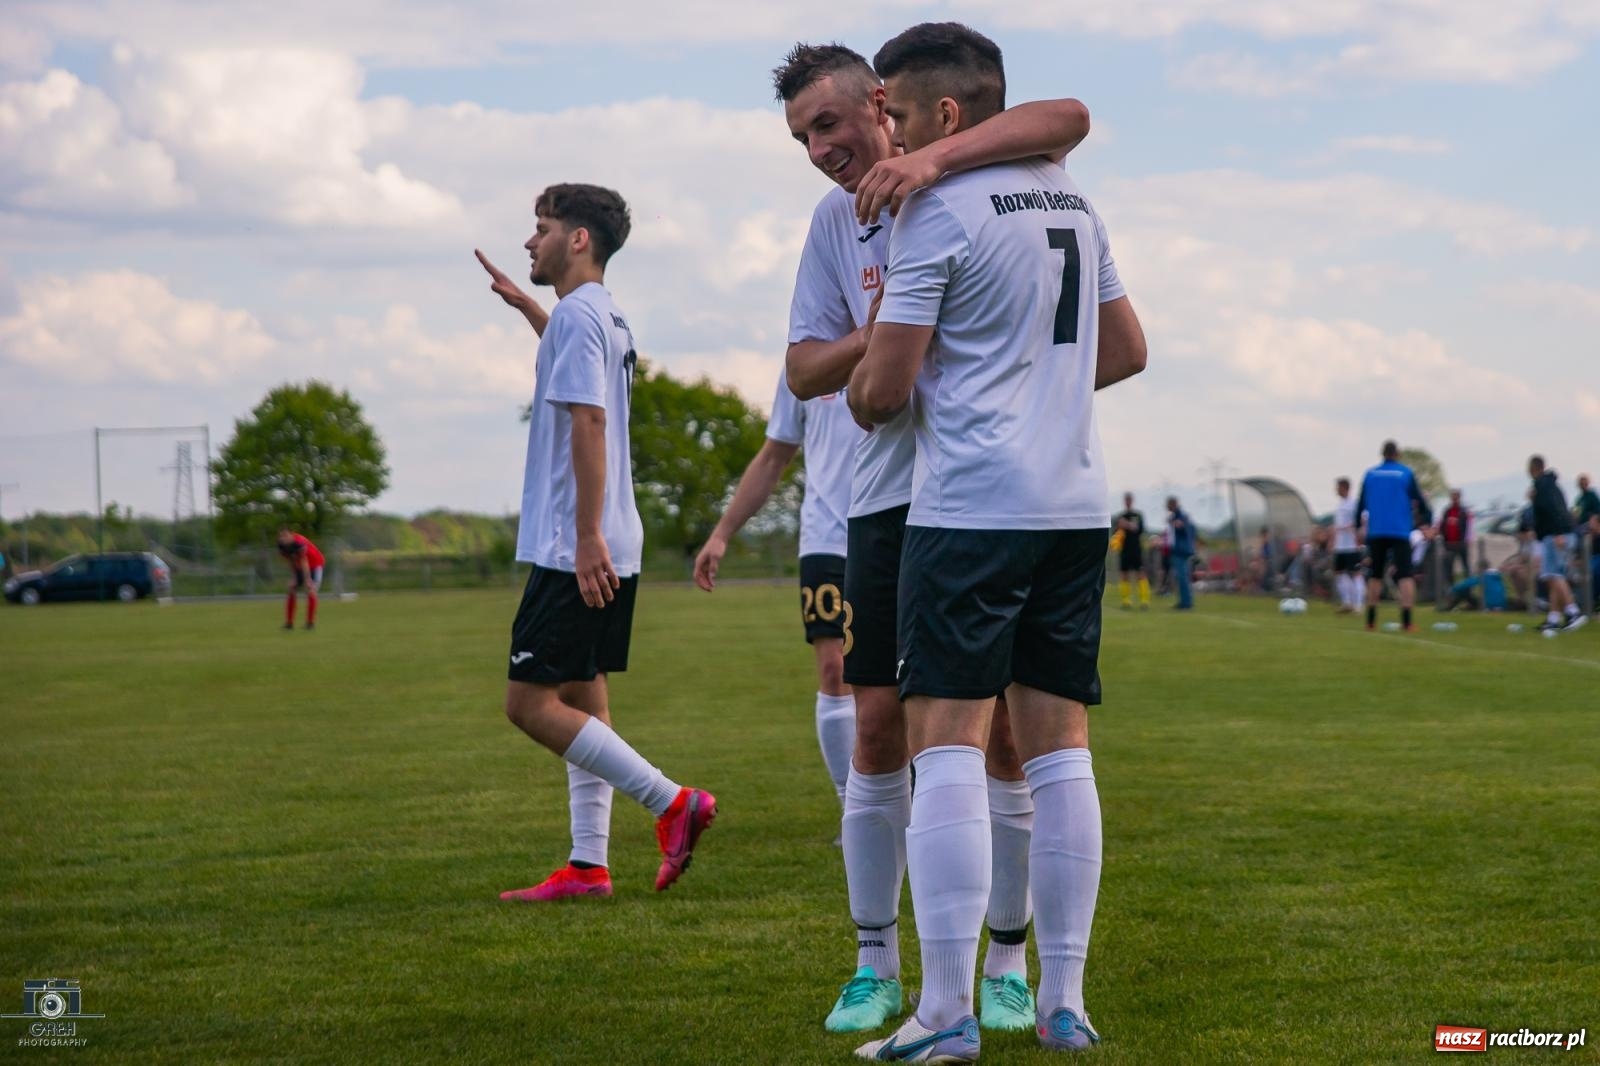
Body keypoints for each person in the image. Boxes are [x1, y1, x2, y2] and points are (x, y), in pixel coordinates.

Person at [772, 41, 1101, 1034]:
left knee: (996, 740)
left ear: (887, 105)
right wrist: (897, 337)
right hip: (890, 503)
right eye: (801, 137)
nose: (820, 149)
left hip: (969, 501)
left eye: (830, 124)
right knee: (881, 731)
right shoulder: (842, 220)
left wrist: (965, 368)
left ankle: (999, 967)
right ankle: (877, 958)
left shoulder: (966, 185)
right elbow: (800, 369)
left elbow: (1064, 114)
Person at [848, 22, 1146, 1058]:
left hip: (970, 508)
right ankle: (1062, 999)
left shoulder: (932, 209)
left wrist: (871, 380)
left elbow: (882, 395)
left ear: (942, 115)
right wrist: (1037, 390)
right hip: (1071, 506)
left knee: (948, 750)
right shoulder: (1073, 196)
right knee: (1061, 751)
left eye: (889, 105)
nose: (878, 122)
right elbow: (1126, 351)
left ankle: (944, 1012)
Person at [494, 184, 716, 903]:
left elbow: (588, 422)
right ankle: (588, 866)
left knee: (529, 704)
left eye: (542, 228)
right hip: (609, 536)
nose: (530, 242)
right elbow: (578, 379)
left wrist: (585, 536)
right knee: (586, 698)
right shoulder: (598, 315)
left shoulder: (581, 317)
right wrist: (530, 311)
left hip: (576, 542)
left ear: (578, 238)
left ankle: (672, 803)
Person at [1355, 441, 1431, 632]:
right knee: (1406, 576)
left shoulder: (1370, 474)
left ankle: (1370, 621)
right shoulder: (1405, 473)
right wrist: (1426, 522)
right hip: (1399, 530)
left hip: (1377, 531)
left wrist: (1358, 526)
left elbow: (1360, 504)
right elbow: (1420, 501)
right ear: (1397, 454)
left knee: (1375, 576)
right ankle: (1407, 622)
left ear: (1382, 454)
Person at [1528, 455, 1586, 632]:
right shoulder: (1551, 485)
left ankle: (1573, 612)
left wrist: (1558, 533)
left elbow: (1555, 510)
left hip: (1556, 535)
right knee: (1553, 576)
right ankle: (1553, 618)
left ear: (1533, 468)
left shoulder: (1544, 486)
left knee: (1554, 575)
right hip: (1555, 534)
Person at [276, 528, 324, 630]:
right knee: (291, 589)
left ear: (291, 535)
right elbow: (290, 560)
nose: (283, 539)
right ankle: (289, 624)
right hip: (300, 567)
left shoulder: (298, 542)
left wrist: (307, 579)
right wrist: (293, 577)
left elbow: (304, 560)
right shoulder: (282, 546)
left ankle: (310, 624)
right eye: (281, 536)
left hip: (315, 565)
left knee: (311, 590)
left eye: (285, 536)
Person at [1331, 478, 1364, 614]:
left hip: (1351, 545)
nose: (1336, 489)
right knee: (1340, 573)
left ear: (1344, 487)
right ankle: (1347, 602)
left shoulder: (1353, 504)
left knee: (1356, 573)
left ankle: (1359, 605)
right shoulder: (1339, 504)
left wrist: (1351, 530)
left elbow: (1361, 521)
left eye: (1338, 487)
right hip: (1340, 546)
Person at [1115, 494, 1149, 609]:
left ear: (1132, 501)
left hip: (1136, 549)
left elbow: (1140, 530)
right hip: (1124, 549)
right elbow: (1116, 533)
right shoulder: (1120, 516)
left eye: (1129, 500)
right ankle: (1126, 601)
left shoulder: (1138, 515)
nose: (1128, 502)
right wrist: (1120, 527)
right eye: (1126, 500)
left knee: (1141, 573)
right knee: (1124, 574)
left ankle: (1144, 600)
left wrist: (1128, 525)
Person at [1437, 488, 1473, 586]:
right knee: (1448, 568)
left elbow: (1467, 527)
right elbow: (1442, 526)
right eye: (1452, 497)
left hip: (1461, 543)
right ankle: (1451, 590)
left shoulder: (1463, 511)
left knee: (1465, 567)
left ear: (1459, 497)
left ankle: (1467, 589)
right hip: (1449, 544)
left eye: (1456, 497)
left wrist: (1457, 523)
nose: (1454, 499)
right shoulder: (1447, 511)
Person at [1574, 473, 1600, 609]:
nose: (1582, 484)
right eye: (1580, 482)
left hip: (1587, 531)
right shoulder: (1580, 499)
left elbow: (1596, 511)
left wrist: (1592, 524)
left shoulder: (1592, 496)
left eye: (1584, 482)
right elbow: (1576, 513)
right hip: (1582, 530)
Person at [1167, 498, 1196, 610]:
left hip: (1181, 550)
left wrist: (1177, 524)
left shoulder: (1181, 516)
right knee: (1180, 577)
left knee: (1183, 576)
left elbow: (1184, 528)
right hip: (1179, 549)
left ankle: (1186, 603)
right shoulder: (1177, 516)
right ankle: (1183, 601)